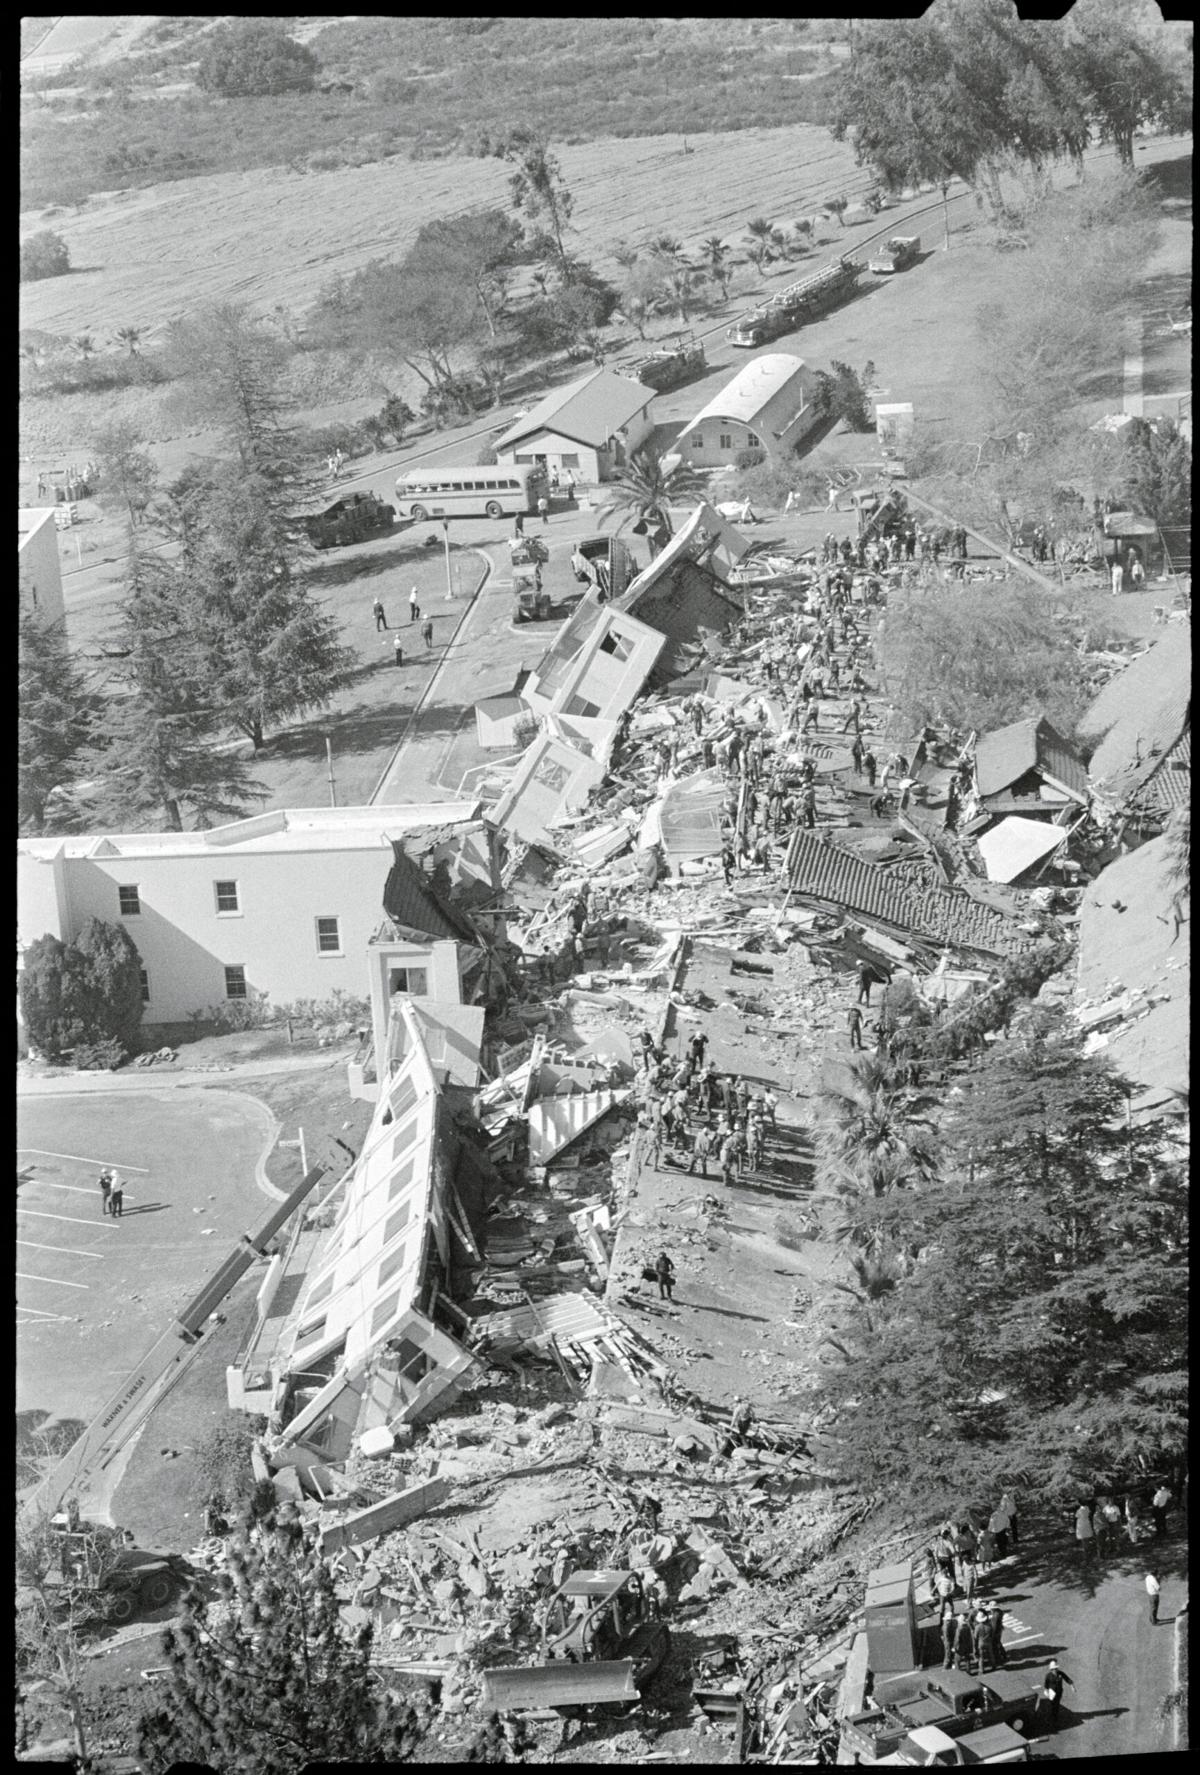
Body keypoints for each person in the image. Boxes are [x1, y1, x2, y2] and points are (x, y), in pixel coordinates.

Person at [1039, 1660, 1073, 1729]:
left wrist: (1072, 1686)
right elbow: (1046, 1684)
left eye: (1056, 1668)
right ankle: (1053, 1717)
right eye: (1054, 1669)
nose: (1055, 1670)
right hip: (1052, 1693)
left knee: (1057, 1704)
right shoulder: (1048, 1676)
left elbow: (1067, 1679)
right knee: (1052, 1705)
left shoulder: (1060, 1673)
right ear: (1051, 1669)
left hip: (1059, 1692)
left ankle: (1055, 1717)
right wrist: (1046, 1691)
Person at [1074, 1500, 1095, 1566]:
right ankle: (1089, 1554)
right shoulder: (1087, 1508)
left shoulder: (1079, 1510)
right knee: (1087, 1541)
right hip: (1087, 1525)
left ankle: (1086, 1558)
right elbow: (1089, 1514)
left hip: (1082, 1526)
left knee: (1084, 1542)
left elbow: (1076, 1516)